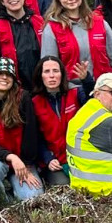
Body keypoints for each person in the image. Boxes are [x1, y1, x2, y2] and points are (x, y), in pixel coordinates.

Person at [0, 57, 44, 202]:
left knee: (32, 198)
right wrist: (11, 157)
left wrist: (27, 165)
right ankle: (3, 199)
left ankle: (16, 190)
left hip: (23, 162)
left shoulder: (23, 98)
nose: (4, 77)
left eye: (8, 74)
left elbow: (31, 135)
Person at [41, 0, 112, 80]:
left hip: (102, 88)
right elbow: (49, 68)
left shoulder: (100, 23)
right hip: (72, 89)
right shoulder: (52, 28)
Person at [30, 56, 91, 188]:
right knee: (65, 188)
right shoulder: (34, 103)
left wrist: (86, 80)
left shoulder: (76, 92)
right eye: (47, 71)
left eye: (55, 71)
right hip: (56, 160)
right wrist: (48, 159)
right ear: (40, 76)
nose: (52, 76)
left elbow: (93, 104)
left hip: (81, 156)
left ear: (62, 74)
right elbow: (36, 137)